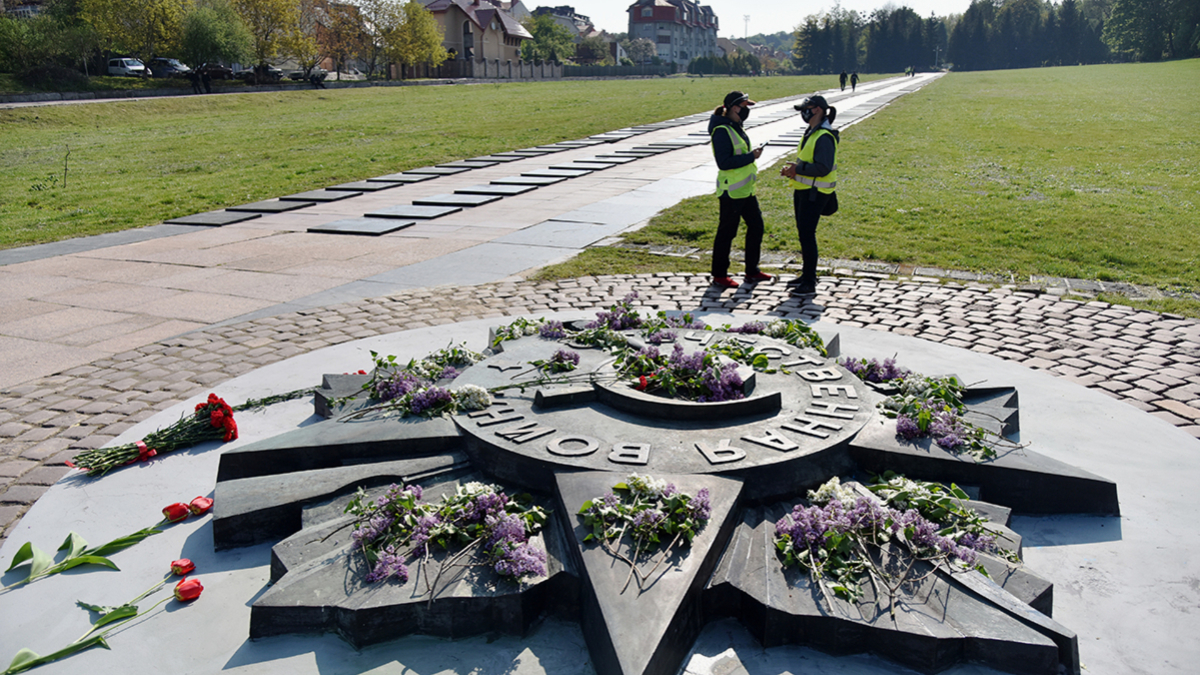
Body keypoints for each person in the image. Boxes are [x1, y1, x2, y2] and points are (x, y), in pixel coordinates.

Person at [707, 91, 772, 289]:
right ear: (733, 108)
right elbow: (724, 163)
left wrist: (751, 155)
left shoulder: (735, 127)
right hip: (731, 192)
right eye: (743, 106)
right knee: (727, 233)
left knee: (757, 227)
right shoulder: (721, 131)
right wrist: (751, 156)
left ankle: (752, 270)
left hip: (745, 190)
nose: (746, 110)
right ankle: (719, 275)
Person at [782, 94, 839, 296]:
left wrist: (798, 169)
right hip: (805, 190)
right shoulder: (812, 132)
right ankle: (807, 275)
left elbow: (822, 167)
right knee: (804, 234)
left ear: (817, 110)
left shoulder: (824, 135)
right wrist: (794, 169)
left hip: (815, 192)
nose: (803, 114)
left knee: (807, 235)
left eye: (806, 109)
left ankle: (809, 283)